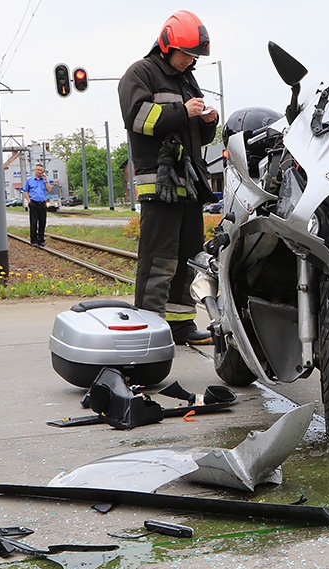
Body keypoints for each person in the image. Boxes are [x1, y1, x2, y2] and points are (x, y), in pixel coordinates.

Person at [118, 10, 219, 345]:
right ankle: (148, 326)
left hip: (188, 182)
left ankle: (180, 324)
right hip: (158, 184)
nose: (190, 61)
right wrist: (183, 111)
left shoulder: (186, 79)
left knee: (188, 256)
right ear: (166, 45)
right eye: (186, 54)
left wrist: (206, 124)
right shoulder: (140, 74)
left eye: (194, 57)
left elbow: (194, 138)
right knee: (158, 256)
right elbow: (139, 119)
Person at [22, 163, 52, 247]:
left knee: (42, 222)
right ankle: (33, 240)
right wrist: (29, 200)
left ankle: (41, 240)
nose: (39, 172)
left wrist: (46, 180)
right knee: (34, 222)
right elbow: (25, 191)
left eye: (41, 170)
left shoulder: (44, 181)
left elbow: (49, 190)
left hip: (42, 203)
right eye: (38, 170)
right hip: (33, 203)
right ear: (35, 170)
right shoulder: (30, 180)